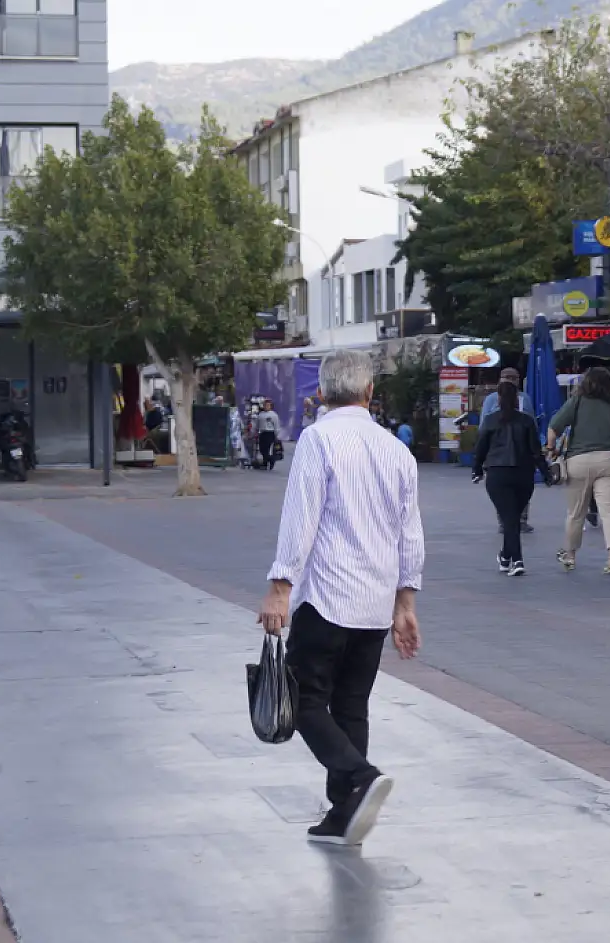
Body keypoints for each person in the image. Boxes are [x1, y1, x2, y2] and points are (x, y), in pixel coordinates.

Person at [256, 350, 423, 846]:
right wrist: (405, 604)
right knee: (351, 705)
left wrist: (280, 588)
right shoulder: (397, 450)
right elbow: (409, 534)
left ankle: (359, 777)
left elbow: (301, 517)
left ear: (322, 394)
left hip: (328, 596)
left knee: (306, 702)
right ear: (370, 392)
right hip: (373, 601)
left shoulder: (318, 438)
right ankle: (343, 814)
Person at [547, 366, 610, 574]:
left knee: (576, 513)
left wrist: (551, 449)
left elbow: (553, 428)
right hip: (608, 460)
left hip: (579, 461)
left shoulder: (576, 402)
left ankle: (570, 556)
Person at [473, 382, 552, 576]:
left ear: (498, 398)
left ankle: (516, 559)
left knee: (509, 518)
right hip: (523, 474)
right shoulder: (526, 421)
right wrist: (546, 473)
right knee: (513, 517)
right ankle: (506, 556)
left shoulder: (490, 421)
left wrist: (477, 470)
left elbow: (480, 448)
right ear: (517, 398)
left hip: (498, 473)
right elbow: (535, 451)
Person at [482, 367, 538, 534]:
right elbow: (484, 424)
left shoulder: (525, 398)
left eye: (513, 377)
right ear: (500, 379)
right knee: (501, 489)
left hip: (521, 449)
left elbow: (532, 422)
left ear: (518, 380)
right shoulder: (491, 399)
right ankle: (504, 520)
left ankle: (521, 519)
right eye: (506, 377)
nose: (509, 380)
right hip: (498, 450)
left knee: (522, 486)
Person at [257, 399, 282, 471]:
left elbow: (276, 425)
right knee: (262, 449)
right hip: (262, 433)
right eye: (265, 405)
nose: (266, 406)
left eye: (268, 405)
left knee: (268, 449)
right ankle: (265, 462)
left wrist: (277, 435)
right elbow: (257, 424)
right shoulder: (260, 414)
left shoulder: (274, 415)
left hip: (270, 433)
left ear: (271, 406)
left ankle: (270, 461)